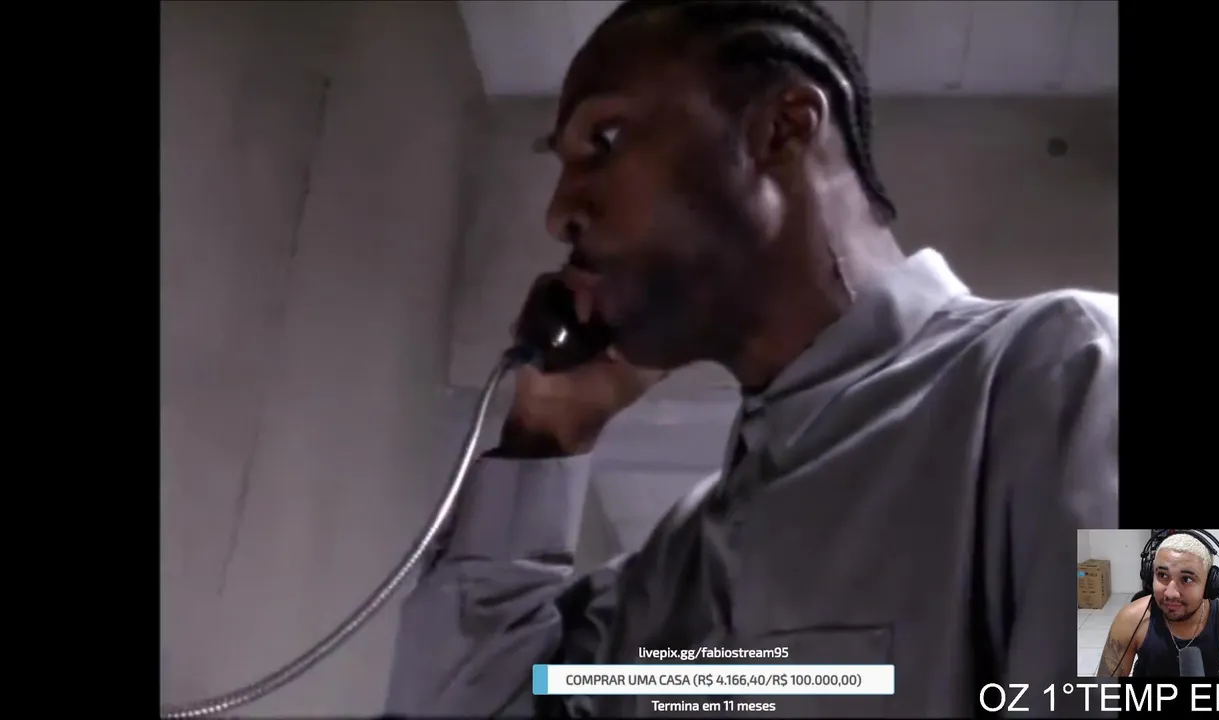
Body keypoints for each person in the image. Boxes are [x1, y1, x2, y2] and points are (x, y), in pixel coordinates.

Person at [386, 1, 1119, 716]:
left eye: (605, 140)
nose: (559, 214)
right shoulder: (680, 566)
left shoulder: (1080, 371)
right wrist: (546, 436)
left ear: (783, 128)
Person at [1097, 534, 1219, 678]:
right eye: (1162, 575)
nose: (1170, 593)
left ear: (1209, 584)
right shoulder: (1130, 620)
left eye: (1187, 579)